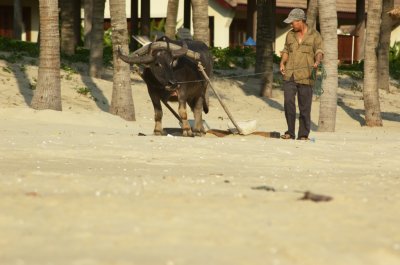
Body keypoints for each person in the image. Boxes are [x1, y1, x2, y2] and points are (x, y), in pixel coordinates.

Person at [279, 8, 323, 140]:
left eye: (292, 22)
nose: (290, 25)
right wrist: (282, 63)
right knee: (288, 103)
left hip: (306, 76)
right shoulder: (290, 35)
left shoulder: (315, 35)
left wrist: (317, 61)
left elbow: (319, 50)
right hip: (290, 74)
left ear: (300, 21)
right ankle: (290, 133)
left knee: (304, 108)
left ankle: (303, 134)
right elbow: (286, 50)